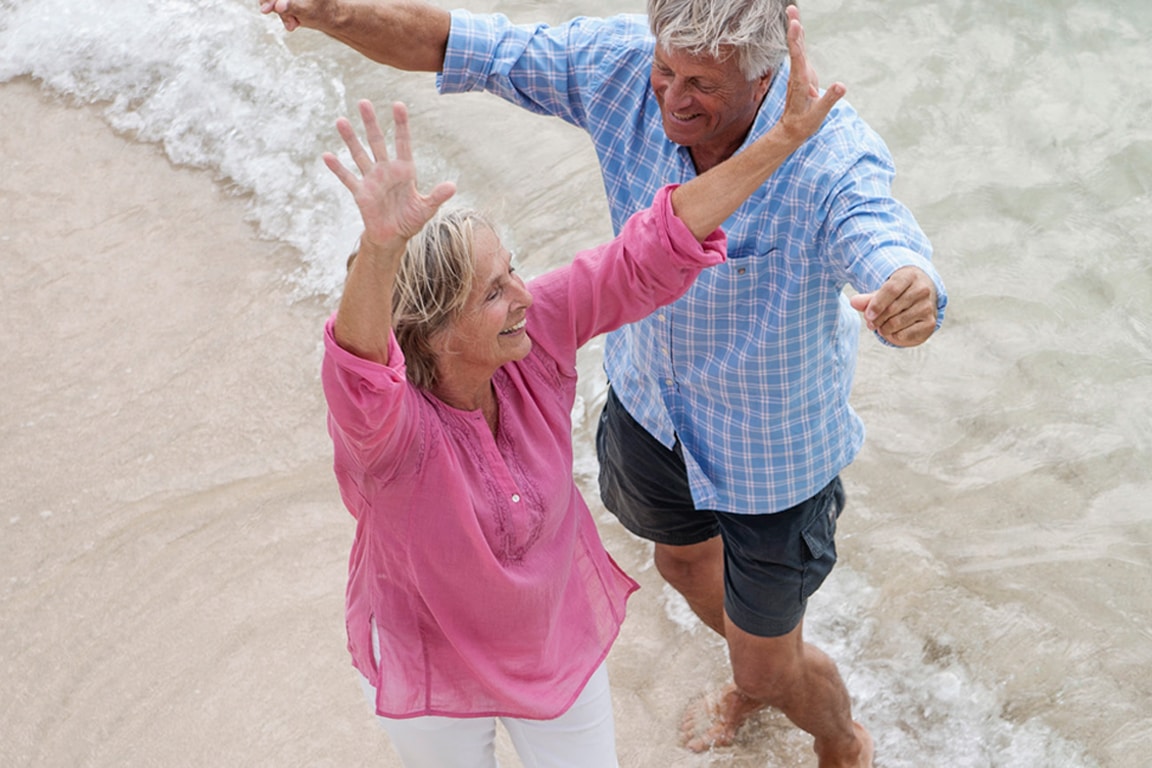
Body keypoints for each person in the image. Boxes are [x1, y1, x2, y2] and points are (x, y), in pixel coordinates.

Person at [266, 1, 945, 764]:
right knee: (680, 563)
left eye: (702, 83)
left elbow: (849, 235)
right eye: (666, 69)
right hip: (648, 419)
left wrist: (904, 284)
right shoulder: (390, 424)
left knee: (766, 660)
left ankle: (820, 722)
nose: (673, 97)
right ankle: (756, 678)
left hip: (768, 455)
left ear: (764, 76)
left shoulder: (824, 151)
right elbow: (463, 45)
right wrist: (331, 13)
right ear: (430, 329)